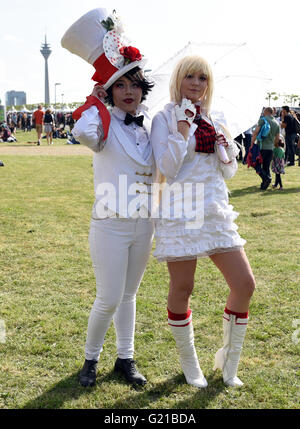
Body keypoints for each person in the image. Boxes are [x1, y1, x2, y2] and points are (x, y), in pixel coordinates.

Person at [62, 7, 156, 388]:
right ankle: (90, 359)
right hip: (110, 222)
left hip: (144, 222)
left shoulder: (152, 122)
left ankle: (125, 358)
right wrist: (96, 99)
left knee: (130, 295)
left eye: (134, 84)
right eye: (121, 86)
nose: (129, 92)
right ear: (110, 89)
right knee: (109, 298)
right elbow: (84, 133)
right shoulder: (101, 121)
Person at [150, 55, 255, 388]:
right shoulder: (164, 118)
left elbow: (227, 171)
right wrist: (182, 131)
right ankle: (190, 364)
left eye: (203, 78)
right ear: (178, 79)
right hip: (182, 211)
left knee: (244, 284)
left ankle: (229, 361)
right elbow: (167, 167)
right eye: (190, 76)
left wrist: (227, 150)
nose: (196, 83)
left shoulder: (215, 117)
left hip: (215, 210)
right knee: (183, 288)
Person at [251, 107, 280, 190]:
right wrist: (273, 145)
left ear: (266, 111)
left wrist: (252, 143)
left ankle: (266, 178)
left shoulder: (263, 120)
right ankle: (265, 184)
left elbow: (256, 132)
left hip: (262, 147)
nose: (263, 113)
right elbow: (277, 138)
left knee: (256, 164)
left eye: (264, 111)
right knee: (266, 166)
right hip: (271, 148)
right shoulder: (276, 123)